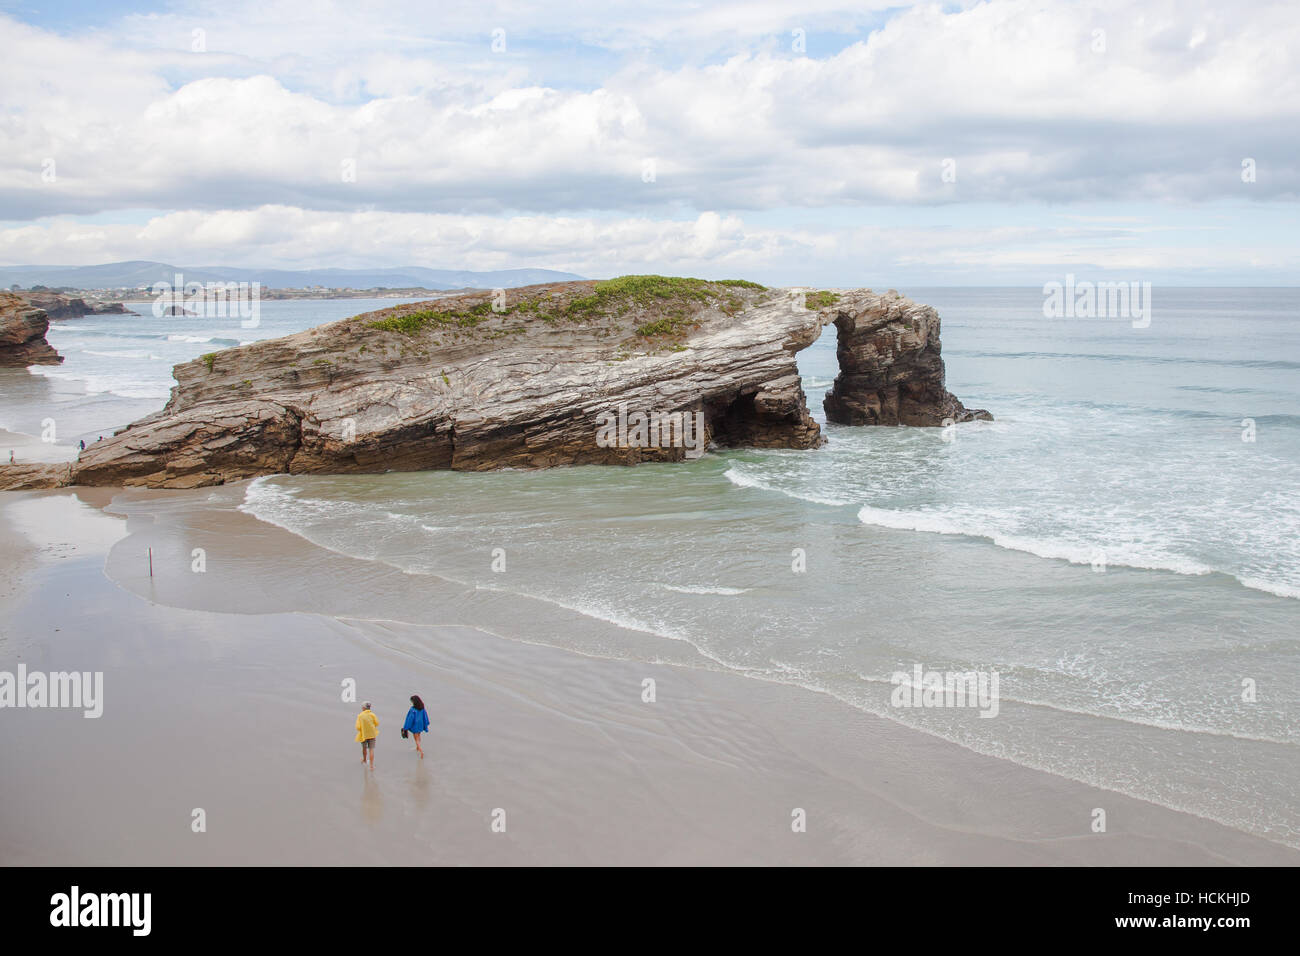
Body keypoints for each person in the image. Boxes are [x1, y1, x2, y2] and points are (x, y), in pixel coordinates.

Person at [355, 702, 379, 769]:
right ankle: (371, 766)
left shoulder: (360, 716)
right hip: (372, 734)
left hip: (364, 735)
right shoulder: (372, 715)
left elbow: (357, 727)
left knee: (364, 748)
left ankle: (365, 760)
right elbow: (377, 723)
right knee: (371, 749)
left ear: (363, 708)